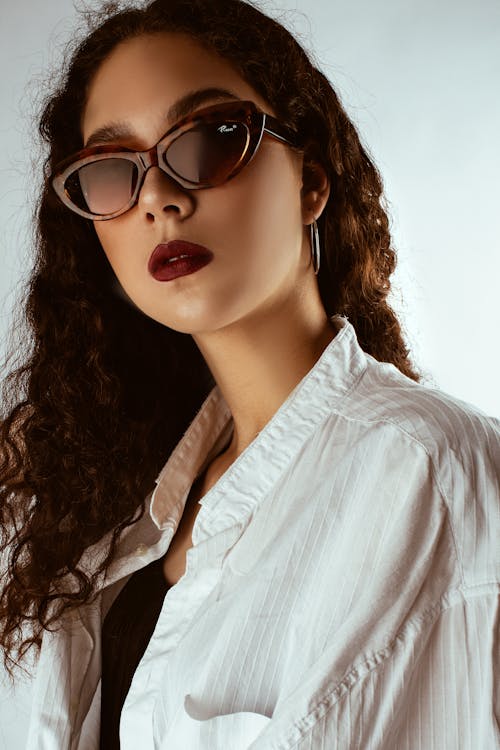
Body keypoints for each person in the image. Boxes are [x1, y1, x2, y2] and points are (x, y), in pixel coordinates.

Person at [0, 0, 498, 747]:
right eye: (111, 171)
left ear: (311, 183)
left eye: (207, 139)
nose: (161, 199)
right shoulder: (110, 506)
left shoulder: (428, 469)